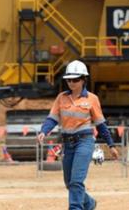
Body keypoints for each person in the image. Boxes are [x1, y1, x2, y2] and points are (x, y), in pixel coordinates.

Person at [37, 60, 119, 210]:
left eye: (75, 79)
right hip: (67, 144)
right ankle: (89, 203)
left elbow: (101, 124)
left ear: (83, 79)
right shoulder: (61, 98)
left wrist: (111, 145)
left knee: (76, 181)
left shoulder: (92, 99)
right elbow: (52, 118)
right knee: (69, 183)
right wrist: (44, 131)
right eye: (69, 79)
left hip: (85, 142)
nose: (72, 83)